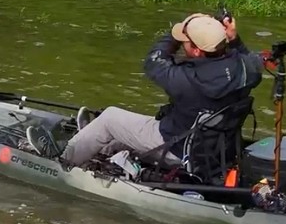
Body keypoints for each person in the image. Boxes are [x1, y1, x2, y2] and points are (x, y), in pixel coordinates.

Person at [26, 12, 265, 169]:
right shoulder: (248, 70)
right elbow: (245, 55)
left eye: (185, 42)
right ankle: (100, 145)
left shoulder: (186, 79)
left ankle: (61, 160)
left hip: (176, 147)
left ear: (195, 50)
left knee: (109, 118)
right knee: (129, 128)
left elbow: (154, 60)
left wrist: (175, 32)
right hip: (212, 148)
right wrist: (232, 38)